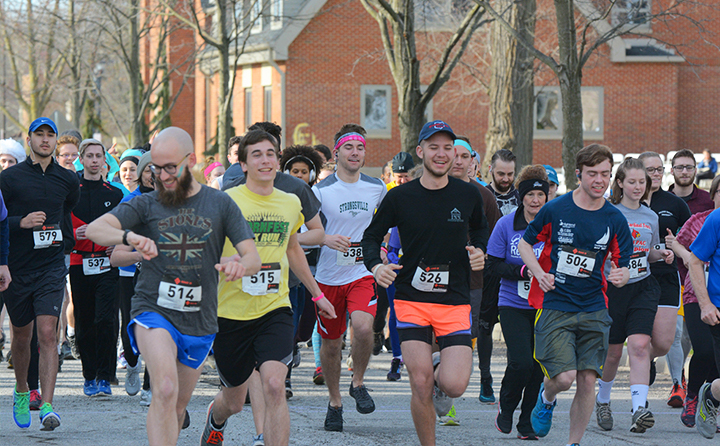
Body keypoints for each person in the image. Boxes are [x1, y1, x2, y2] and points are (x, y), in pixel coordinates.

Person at [84, 127, 261, 445]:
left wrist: (238, 265)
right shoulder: (146, 204)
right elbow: (97, 229)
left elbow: (252, 257)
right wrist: (130, 237)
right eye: (155, 168)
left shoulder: (220, 204)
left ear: (191, 160)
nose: (161, 176)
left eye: (170, 167)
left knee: (177, 405)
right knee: (163, 388)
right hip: (153, 308)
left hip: (199, 317)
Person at [200, 130, 336, 446]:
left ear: (278, 160)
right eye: (256, 154)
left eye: (270, 153)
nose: (265, 160)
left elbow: (292, 249)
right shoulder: (225, 201)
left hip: (275, 307)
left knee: (275, 384)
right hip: (231, 311)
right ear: (244, 164)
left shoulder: (290, 202)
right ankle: (216, 418)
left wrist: (317, 295)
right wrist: (229, 263)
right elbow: (208, 250)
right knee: (233, 400)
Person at [362, 119, 488, 446]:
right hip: (411, 299)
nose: (442, 154)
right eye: (434, 147)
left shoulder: (468, 194)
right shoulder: (400, 197)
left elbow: (481, 231)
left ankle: (438, 365)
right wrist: (377, 266)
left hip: (454, 300)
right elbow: (371, 237)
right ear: (421, 152)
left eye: (448, 148)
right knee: (420, 383)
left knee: (455, 386)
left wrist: (479, 252)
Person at [519, 143, 633, 446]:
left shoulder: (615, 219)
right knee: (565, 377)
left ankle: (574, 442)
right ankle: (546, 397)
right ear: (578, 174)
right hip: (557, 304)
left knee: (586, 380)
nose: (599, 180)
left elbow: (624, 267)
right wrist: (539, 273)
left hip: (595, 306)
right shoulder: (556, 209)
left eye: (605, 174)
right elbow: (525, 245)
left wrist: (622, 276)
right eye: (593, 173)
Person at [1, 117, 80, 430]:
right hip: (18, 267)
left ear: (55, 141)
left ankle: (47, 404)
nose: (45, 140)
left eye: (50, 135)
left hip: (50, 266)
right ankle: (22, 390)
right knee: (22, 336)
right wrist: (21, 222)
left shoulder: (67, 180)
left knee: (48, 333)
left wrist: (64, 243)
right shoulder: (9, 179)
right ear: (29, 139)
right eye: (39, 135)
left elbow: (67, 211)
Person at [313, 123, 387, 432]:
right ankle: (335, 402)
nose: (355, 153)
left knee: (363, 326)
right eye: (349, 148)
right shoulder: (320, 191)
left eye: (360, 148)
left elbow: (384, 225)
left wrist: (381, 248)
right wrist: (325, 238)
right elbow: (303, 234)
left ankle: (357, 382)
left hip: (362, 272)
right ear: (336, 153)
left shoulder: (377, 188)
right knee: (331, 345)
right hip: (329, 277)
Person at [594, 158, 674, 434]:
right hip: (613, 289)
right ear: (620, 183)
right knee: (614, 352)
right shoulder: (608, 212)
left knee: (640, 345)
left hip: (643, 286)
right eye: (632, 182)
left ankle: (639, 408)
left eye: (643, 182)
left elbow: (647, 252)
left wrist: (660, 254)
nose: (638, 187)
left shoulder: (650, 216)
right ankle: (602, 400)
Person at [488, 165, 549, 440]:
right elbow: (493, 266)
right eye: (530, 195)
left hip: (544, 306)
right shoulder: (506, 225)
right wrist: (525, 271)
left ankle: (526, 421)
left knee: (538, 366)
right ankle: (507, 404)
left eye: (540, 194)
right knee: (521, 362)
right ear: (521, 197)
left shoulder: (554, 226)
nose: (535, 200)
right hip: (512, 302)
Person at [69, 139, 124, 397]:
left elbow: (125, 228)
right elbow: (59, 229)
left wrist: (118, 243)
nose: (93, 160)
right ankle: (89, 375)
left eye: (98, 156)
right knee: (84, 322)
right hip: (79, 263)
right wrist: (74, 234)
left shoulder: (115, 194)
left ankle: (105, 376)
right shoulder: (71, 192)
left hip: (106, 264)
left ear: (104, 160)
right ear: (81, 159)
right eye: (88, 155)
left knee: (107, 319)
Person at [451, 137, 501, 409]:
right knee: (442, 333)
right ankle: (443, 387)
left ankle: (480, 375)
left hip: (474, 279)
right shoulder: (430, 191)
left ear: (473, 161)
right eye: (454, 154)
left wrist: (483, 257)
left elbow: (494, 239)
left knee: (471, 330)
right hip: (438, 277)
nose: (459, 161)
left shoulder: (484, 196)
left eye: (465, 156)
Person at [671, 175, 720, 429]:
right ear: (713, 195)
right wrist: (691, 257)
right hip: (698, 295)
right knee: (703, 350)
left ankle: (711, 399)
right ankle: (693, 396)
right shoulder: (704, 220)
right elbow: (682, 249)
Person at [666, 148, 713, 407]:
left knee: (691, 341)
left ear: (695, 170)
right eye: (680, 167)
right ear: (671, 170)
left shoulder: (707, 201)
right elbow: (677, 242)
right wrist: (685, 255)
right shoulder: (665, 200)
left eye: (689, 167)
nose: (685, 171)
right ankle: (681, 383)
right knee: (672, 336)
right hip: (672, 278)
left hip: (705, 283)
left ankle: (693, 390)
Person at [639, 152, 691, 386]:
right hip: (636, 277)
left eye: (660, 169)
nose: (657, 174)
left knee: (665, 341)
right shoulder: (628, 202)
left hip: (667, 276)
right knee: (637, 335)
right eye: (651, 170)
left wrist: (676, 244)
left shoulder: (674, 203)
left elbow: (692, 240)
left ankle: (646, 357)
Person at [685, 193, 720, 439]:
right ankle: (710, 396)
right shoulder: (717, 219)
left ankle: (713, 394)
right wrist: (705, 304)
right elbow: (695, 261)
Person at [488, 149, 520, 216]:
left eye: (510, 174)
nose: (505, 179)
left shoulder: (521, 195)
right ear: (490, 170)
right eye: (501, 174)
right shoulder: (483, 196)